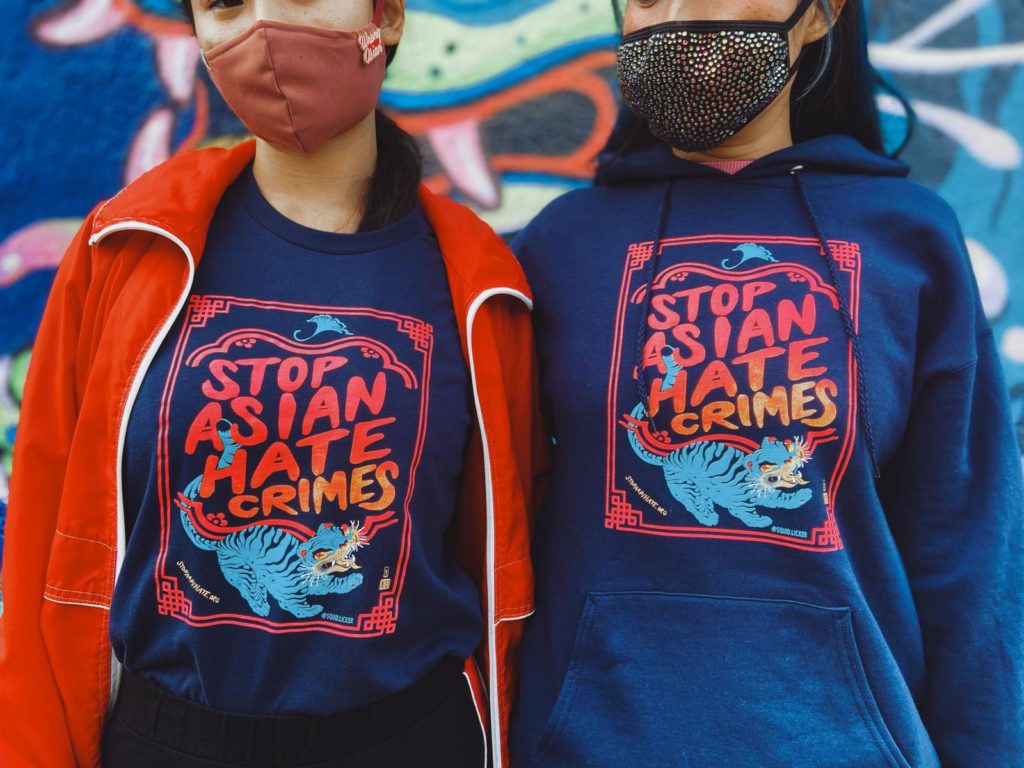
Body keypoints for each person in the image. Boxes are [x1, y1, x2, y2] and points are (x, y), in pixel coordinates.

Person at [0, 1, 542, 766]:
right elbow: (41, 535)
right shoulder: (122, 249)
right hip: (169, 738)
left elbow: (509, 558)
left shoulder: (483, 286)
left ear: (383, 17)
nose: (259, 26)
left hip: (408, 736)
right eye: (223, 5)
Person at [510, 0, 1024, 766]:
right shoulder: (560, 244)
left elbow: (968, 551)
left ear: (819, 16)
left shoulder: (909, 238)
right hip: (591, 741)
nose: (683, 13)